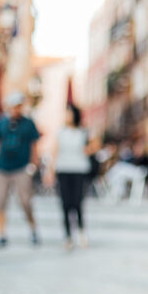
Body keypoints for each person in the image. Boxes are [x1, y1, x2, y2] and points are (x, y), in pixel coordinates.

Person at [0, 91, 41, 248]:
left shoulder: (28, 123)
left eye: (18, 106)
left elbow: (34, 145)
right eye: (14, 106)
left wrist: (34, 164)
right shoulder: (1, 122)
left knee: (25, 201)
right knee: (0, 201)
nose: (16, 109)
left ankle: (33, 229)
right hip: (2, 168)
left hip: (22, 167)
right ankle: (1, 234)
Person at [44, 104, 99, 250]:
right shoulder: (61, 132)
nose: (67, 116)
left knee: (78, 202)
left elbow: (96, 146)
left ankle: (81, 233)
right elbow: (55, 152)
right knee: (65, 203)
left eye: (69, 113)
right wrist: (50, 171)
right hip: (63, 169)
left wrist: (87, 149)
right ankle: (68, 236)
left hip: (79, 170)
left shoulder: (83, 132)